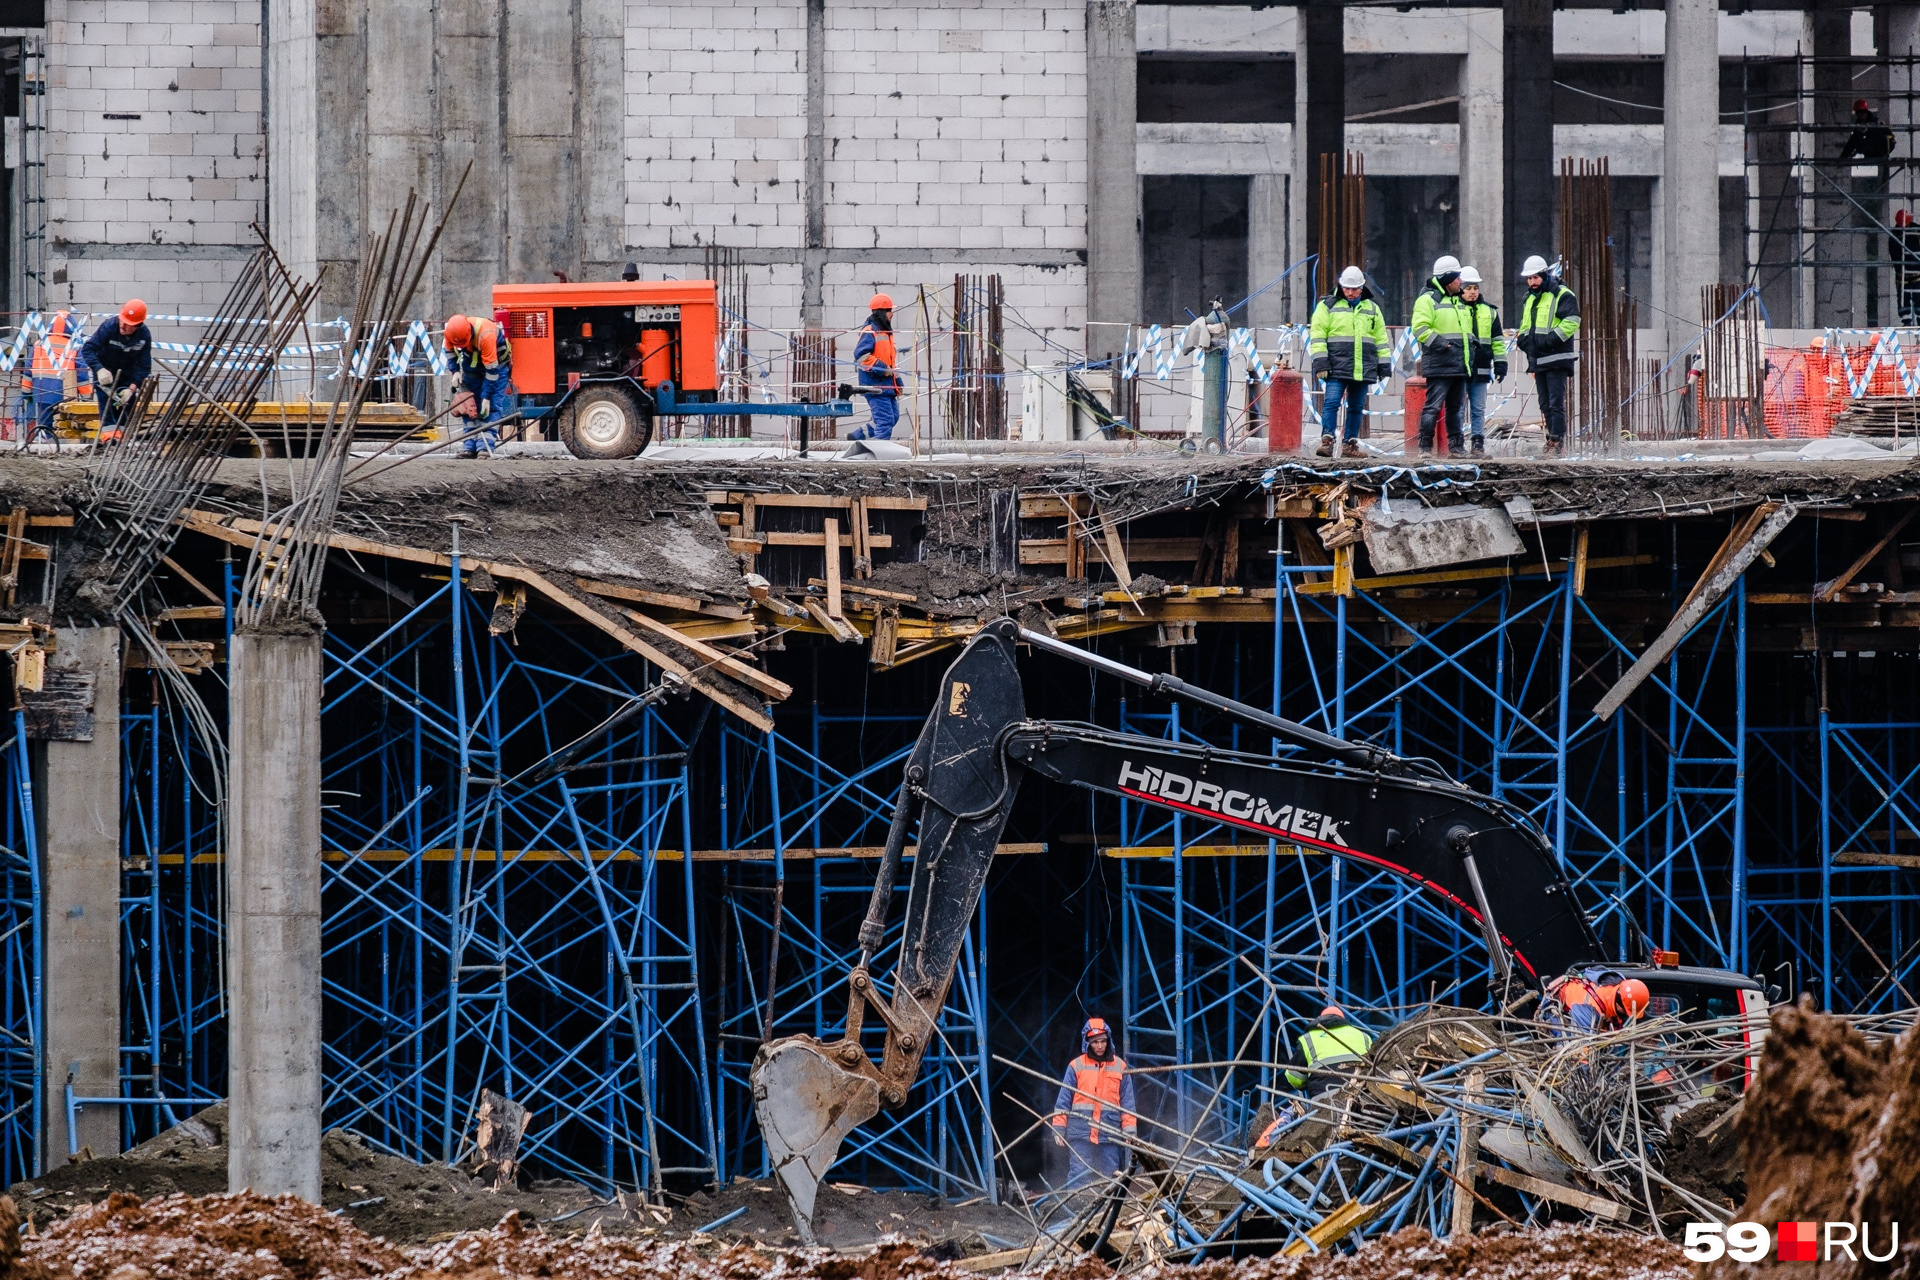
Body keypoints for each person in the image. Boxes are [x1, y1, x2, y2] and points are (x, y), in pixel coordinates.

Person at [1309, 266, 1387, 459]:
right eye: (1347, 288)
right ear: (1341, 286)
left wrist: (1383, 365)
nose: (1350, 292)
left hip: (1362, 367)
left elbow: (1381, 339)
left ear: (1362, 288)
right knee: (1332, 403)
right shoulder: (1327, 306)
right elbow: (1318, 336)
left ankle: (1349, 444)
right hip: (1335, 367)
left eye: (1354, 289)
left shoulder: (1372, 309)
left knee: (1356, 407)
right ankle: (1327, 441)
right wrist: (1321, 363)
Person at [1050, 1016, 1136, 1189]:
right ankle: (1075, 1210)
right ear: (1087, 1042)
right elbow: (1063, 1101)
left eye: (1103, 1041)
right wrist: (1058, 1129)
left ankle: (1109, 1212)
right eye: (1095, 1042)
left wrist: (1130, 1133)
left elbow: (1128, 1104)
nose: (1099, 1046)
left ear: (1108, 1040)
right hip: (1081, 1130)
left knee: (1111, 1175)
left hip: (1109, 1131)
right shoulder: (1076, 1066)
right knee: (1078, 1174)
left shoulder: (1120, 1066)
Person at [1515, 255, 1580, 457]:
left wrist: (1550, 340)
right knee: (1545, 404)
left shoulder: (1562, 294)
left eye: (1535, 277)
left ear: (1544, 275)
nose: (1532, 282)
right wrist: (1525, 341)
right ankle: (1553, 440)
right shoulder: (1530, 298)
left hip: (1557, 357)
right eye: (1529, 278)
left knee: (1555, 402)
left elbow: (1572, 321)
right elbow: (1526, 326)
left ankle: (1557, 441)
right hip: (1539, 359)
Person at [1409, 255, 1470, 455]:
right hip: (1440, 362)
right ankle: (1424, 447)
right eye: (1457, 277)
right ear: (1447, 279)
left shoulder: (1457, 301)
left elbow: (1463, 330)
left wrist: (1472, 342)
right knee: (1433, 407)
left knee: (1455, 408)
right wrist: (1442, 344)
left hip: (1458, 363)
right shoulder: (1427, 300)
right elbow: (1419, 328)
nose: (1461, 282)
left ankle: (1456, 447)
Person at [77, 299, 152, 444]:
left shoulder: (144, 336)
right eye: (122, 320)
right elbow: (88, 349)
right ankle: (109, 439)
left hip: (127, 378)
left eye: (128, 324)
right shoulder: (109, 327)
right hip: (106, 376)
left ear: (137, 325)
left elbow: (144, 366)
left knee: (126, 411)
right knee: (107, 408)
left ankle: (123, 441)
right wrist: (99, 369)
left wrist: (132, 388)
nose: (123, 325)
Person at [443, 312, 515, 455]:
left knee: (490, 408)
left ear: (469, 333)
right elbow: (449, 351)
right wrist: (455, 370)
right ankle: (469, 446)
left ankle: (484, 448)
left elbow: (492, 372)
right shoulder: (451, 332)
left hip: (496, 368)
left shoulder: (486, 334)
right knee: (469, 405)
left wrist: (486, 397)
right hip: (472, 366)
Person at [1458, 267, 1507, 458]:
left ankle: (1477, 445)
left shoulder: (1490, 312)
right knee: (1458, 409)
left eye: (1475, 287)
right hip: (1460, 368)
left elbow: (1497, 341)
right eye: (1468, 287)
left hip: (1481, 367)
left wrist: (1501, 363)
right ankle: (1458, 445)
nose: (1472, 292)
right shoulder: (1455, 309)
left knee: (1478, 409)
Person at [1282, 1005, 1375, 1096]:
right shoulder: (1363, 1036)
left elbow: (1293, 1076)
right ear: (1343, 1019)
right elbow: (1375, 1066)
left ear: (1321, 1018)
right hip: (1361, 1092)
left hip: (1323, 1095)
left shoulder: (1307, 1038)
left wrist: (1306, 1082)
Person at [849, 293, 903, 442]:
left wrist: (897, 382)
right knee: (885, 421)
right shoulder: (870, 330)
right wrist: (882, 368)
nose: (892, 314)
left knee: (893, 417)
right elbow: (861, 356)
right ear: (882, 312)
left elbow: (889, 362)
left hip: (886, 384)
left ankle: (858, 436)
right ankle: (878, 452)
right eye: (890, 310)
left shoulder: (885, 331)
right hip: (875, 384)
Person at [22, 310, 79, 444]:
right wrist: (86, 400)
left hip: (41, 394)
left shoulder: (38, 345)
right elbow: (82, 377)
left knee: (44, 428)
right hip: (65, 396)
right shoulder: (74, 346)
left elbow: (28, 373)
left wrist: (26, 394)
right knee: (65, 428)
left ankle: (45, 446)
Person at [1892, 210, 1920, 324]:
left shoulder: (1917, 230)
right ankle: (1906, 320)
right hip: (1903, 272)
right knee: (1904, 300)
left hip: (1917, 271)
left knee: (1919, 297)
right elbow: (1893, 253)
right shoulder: (1894, 234)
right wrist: (1899, 269)